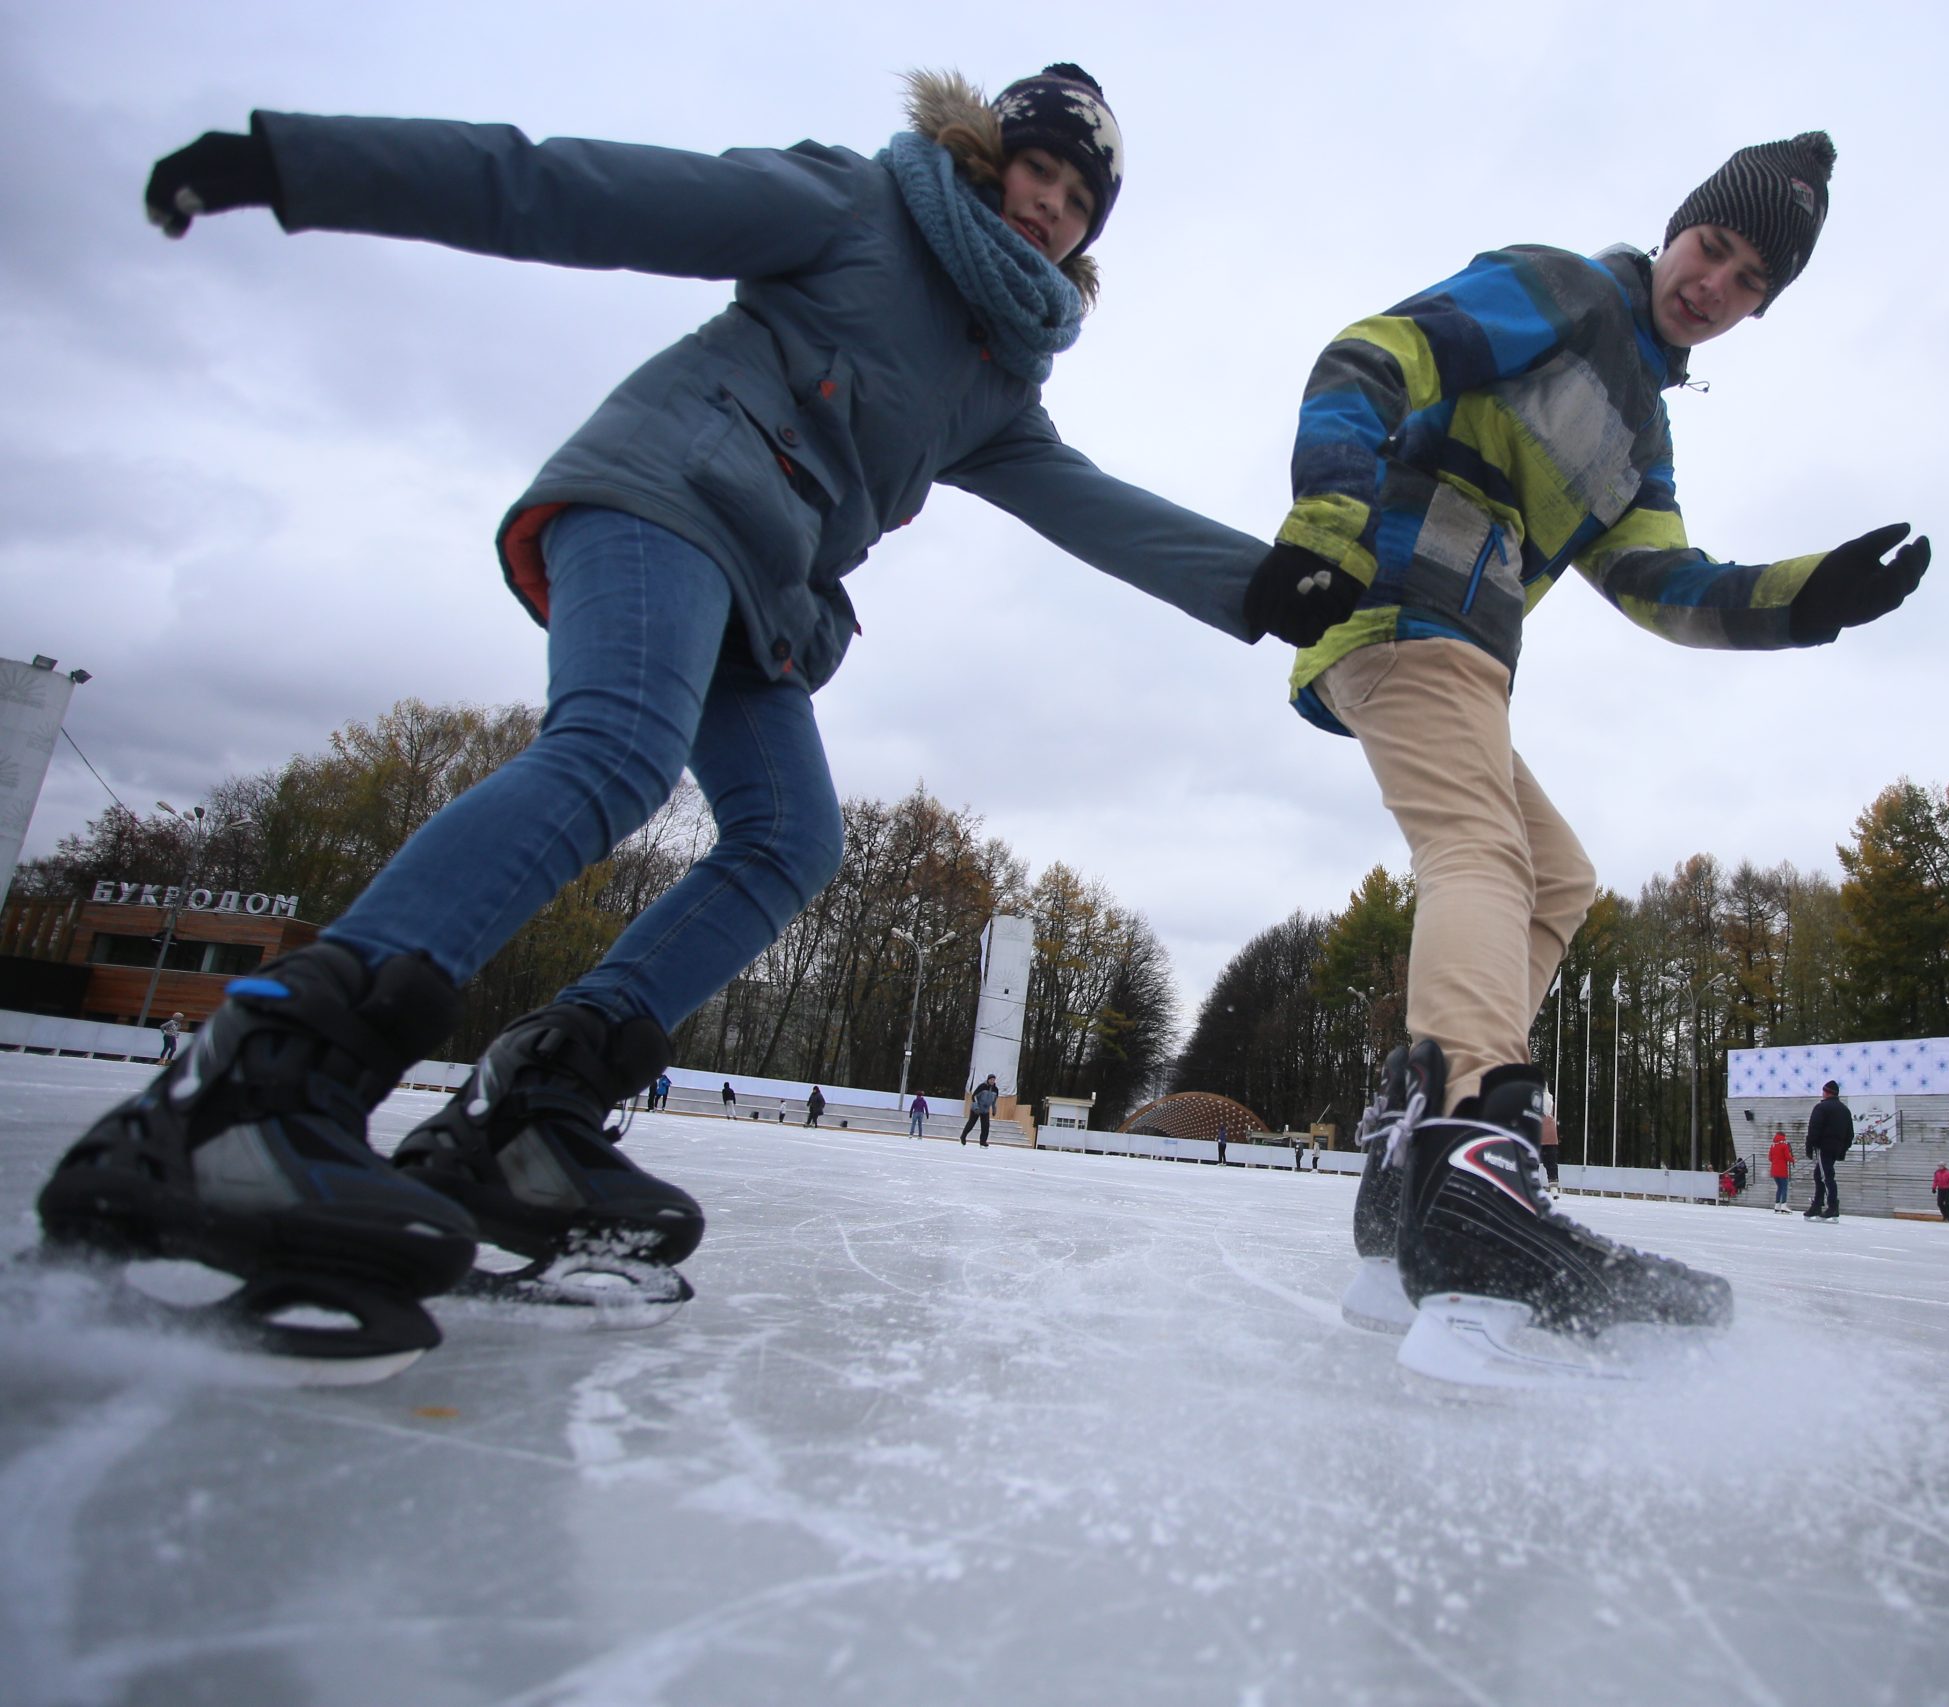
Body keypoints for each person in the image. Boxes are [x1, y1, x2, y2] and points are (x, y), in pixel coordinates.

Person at [33, 65, 1268, 1363]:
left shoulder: (995, 383)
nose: (1053, 209)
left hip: (764, 589)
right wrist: (292, 164)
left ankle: (528, 1109)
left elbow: (1104, 511)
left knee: (791, 838)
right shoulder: (859, 206)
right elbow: (575, 188)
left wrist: (1282, 591)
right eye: (1041, 172)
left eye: (1082, 201)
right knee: (617, 749)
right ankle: (251, 1085)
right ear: (985, 152)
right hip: (661, 495)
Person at [1274, 133, 1925, 1373]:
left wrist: (1805, 601)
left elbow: (1663, 580)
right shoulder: (1562, 292)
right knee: (1476, 849)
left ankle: (1409, 1166)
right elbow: (1376, 350)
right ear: (1677, 228)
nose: (1713, 286)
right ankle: (1474, 1160)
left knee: (1555, 877)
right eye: (1711, 249)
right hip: (1393, 602)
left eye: (1747, 284)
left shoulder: (1640, 426)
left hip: (1460, 644)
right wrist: (1326, 516)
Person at [1805, 1081, 1853, 1222]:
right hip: (1835, 1148)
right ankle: (1817, 1204)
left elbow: (1814, 1129)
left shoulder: (1821, 1108)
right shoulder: (1845, 1110)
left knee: (1826, 1176)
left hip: (1824, 1146)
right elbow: (1850, 1133)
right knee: (1819, 1174)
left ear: (1826, 1092)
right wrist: (1842, 1148)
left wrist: (1810, 1146)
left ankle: (1832, 1206)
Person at [959, 1075, 999, 1147]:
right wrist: (976, 1107)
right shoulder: (982, 1086)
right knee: (971, 1124)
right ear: (988, 1080)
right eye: (991, 1079)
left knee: (986, 1126)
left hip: (986, 1110)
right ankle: (963, 1136)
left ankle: (983, 1142)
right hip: (977, 1108)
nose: (992, 1081)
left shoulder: (995, 1089)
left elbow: (994, 1101)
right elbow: (974, 1096)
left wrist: (994, 1109)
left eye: (993, 1080)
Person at [1768, 1127, 1794, 1212]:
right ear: (1783, 1136)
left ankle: (1777, 1206)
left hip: (1774, 1170)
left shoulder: (1772, 1146)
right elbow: (1788, 1157)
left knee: (1779, 1187)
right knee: (1784, 1188)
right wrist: (1793, 1160)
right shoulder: (1784, 1145)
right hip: (1782, 1170)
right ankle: (1783, 1205)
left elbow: (1770, 1158)